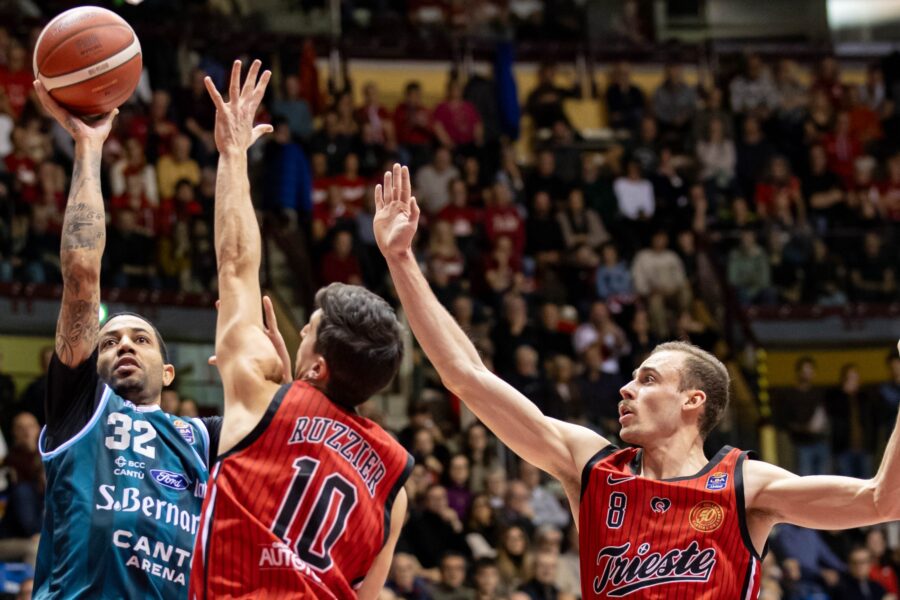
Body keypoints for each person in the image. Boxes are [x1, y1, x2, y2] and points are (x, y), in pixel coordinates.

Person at [373, 163, 900, 599]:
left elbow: (882, 500)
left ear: (693, 400)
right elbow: (465, 377)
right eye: (630, 379)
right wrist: (401, 260)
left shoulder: (746, 485)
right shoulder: (592, 467)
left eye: (648, 379)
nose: (626, 389)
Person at [190, 60, 413, 600]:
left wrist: (233, 154)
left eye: (307, 329)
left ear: (317, 364)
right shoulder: (395, 474)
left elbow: (237, 263)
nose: (298, 332)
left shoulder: (254, 390)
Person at [29, 81, 224, 598]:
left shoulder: (202, 440)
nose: (125, 346)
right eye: (111, 341)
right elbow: (80, 274)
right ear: (92, 364)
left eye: (141, 339)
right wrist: (89, 148)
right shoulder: (82, 409)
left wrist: (233, 161)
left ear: (168, 370)